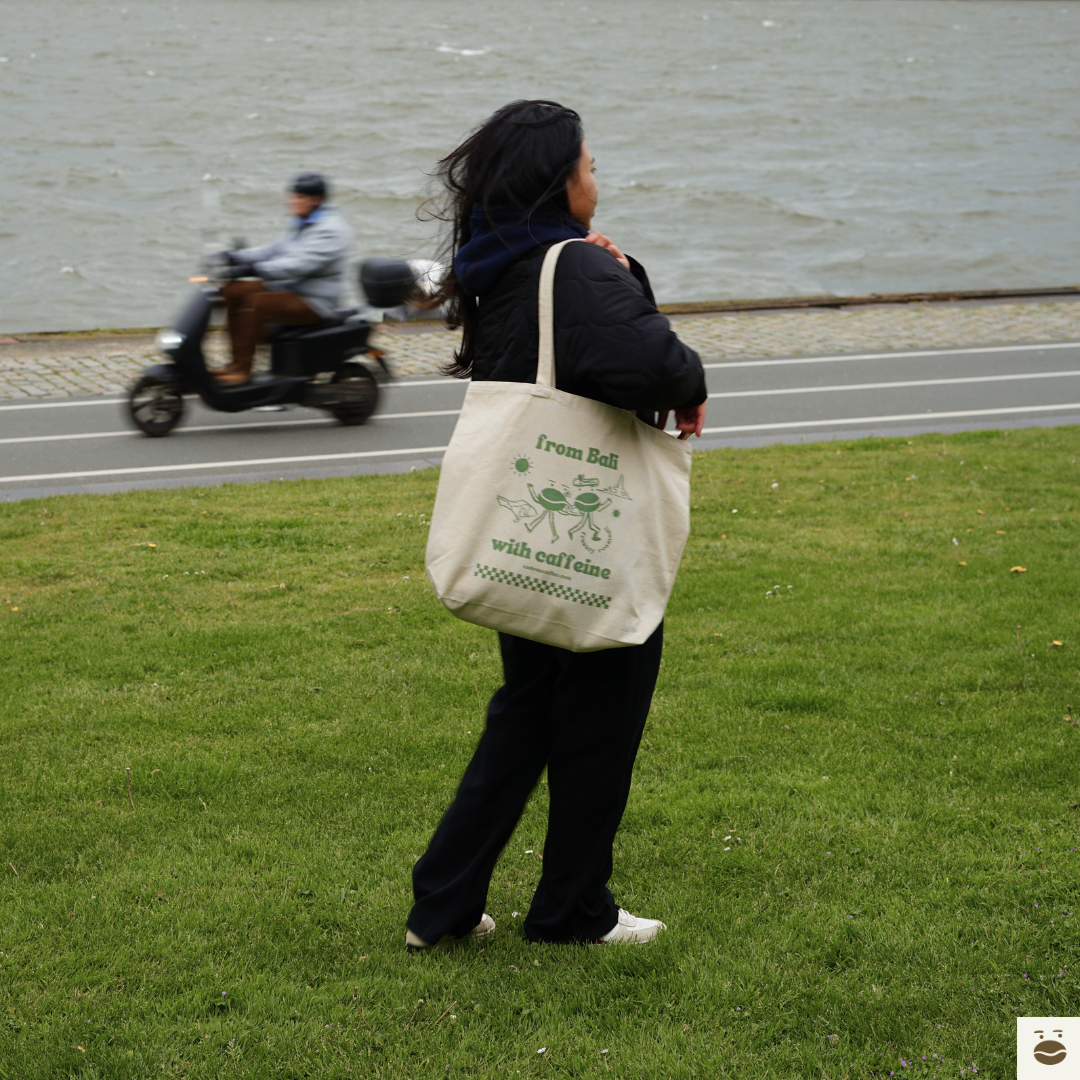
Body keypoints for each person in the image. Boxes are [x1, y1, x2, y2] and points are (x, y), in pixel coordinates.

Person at [405, 100, 707, 951]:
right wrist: (643, 310)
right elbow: (652, 363)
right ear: (559, 180)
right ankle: (574, 911)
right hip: (592, 535)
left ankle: (444, 905)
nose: (597, 180)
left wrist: (611, 272)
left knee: (528, 712)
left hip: (521, 531)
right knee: (600, 716)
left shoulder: (498, 265)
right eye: (590, 165)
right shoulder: (572, 266)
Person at [215, 172, 353, 385]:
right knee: (233, 290)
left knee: (257, 304)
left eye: (299, 197)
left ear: (315, 200)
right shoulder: (304, 222)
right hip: (292, 290)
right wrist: (235, 257)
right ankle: (234, 362)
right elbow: (274, 249)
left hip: (314, 302)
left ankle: (243, 371)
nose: (292, 201)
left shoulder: (330, 230)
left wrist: (255, 269)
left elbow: (297, 265)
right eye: (293, 196)